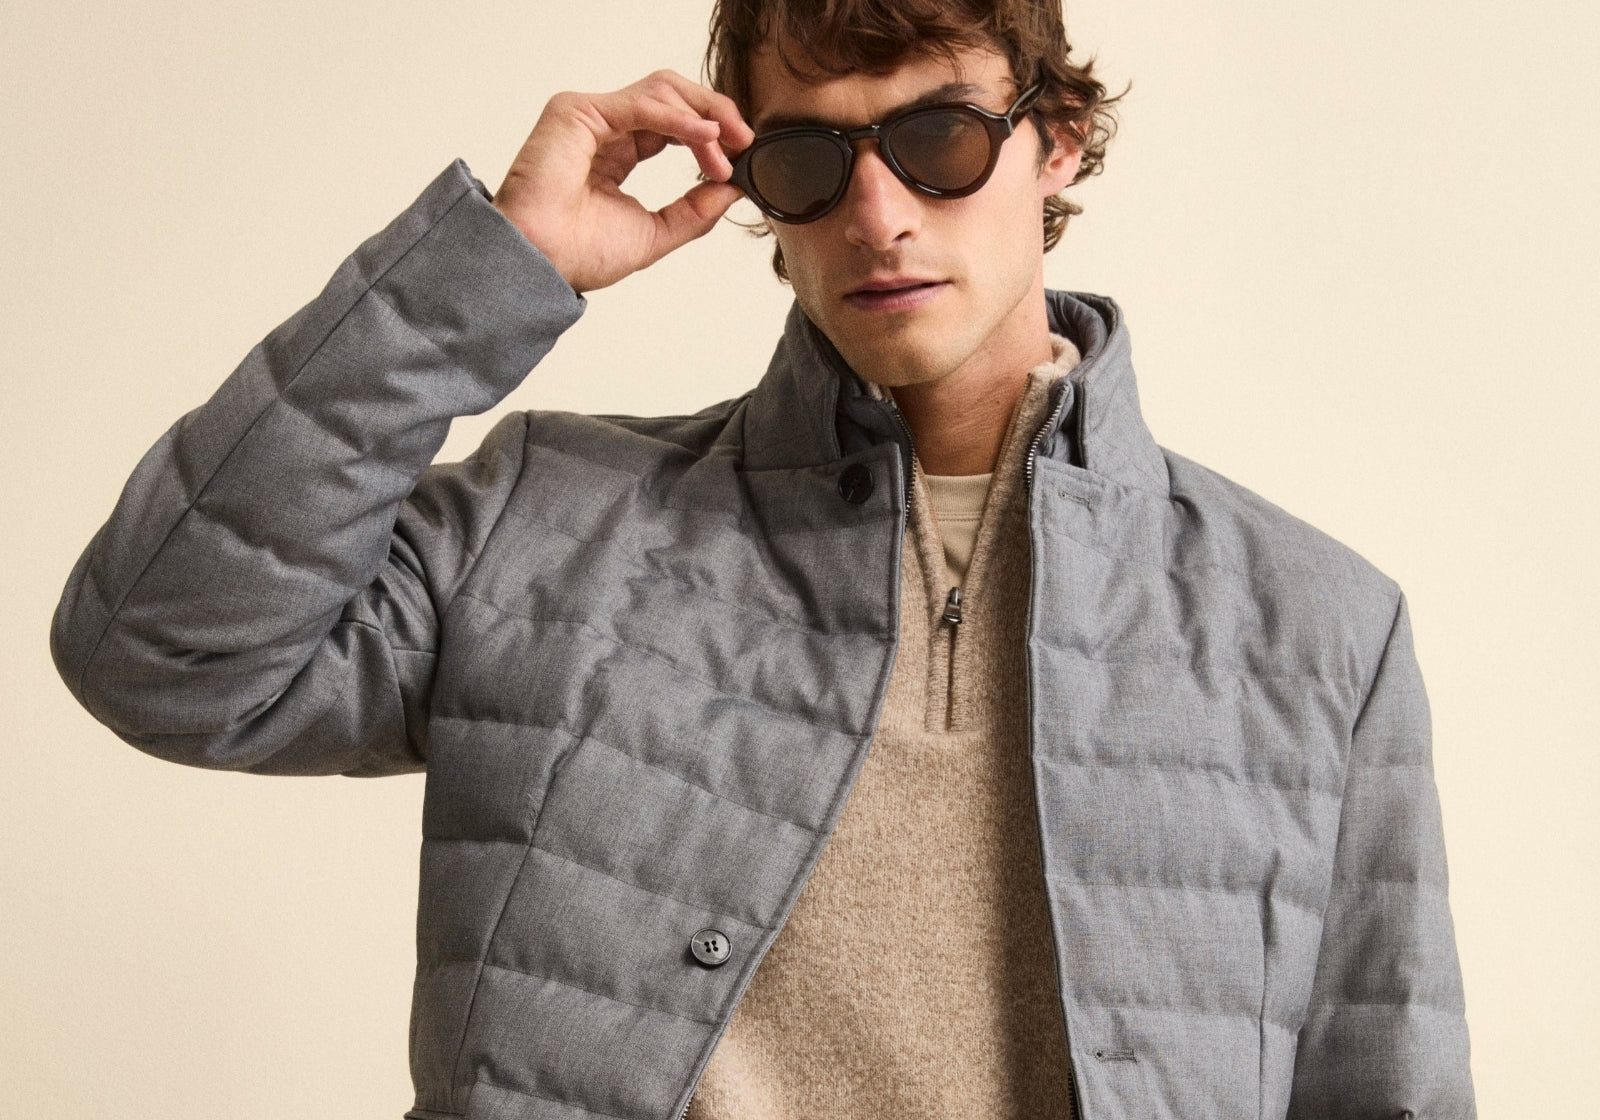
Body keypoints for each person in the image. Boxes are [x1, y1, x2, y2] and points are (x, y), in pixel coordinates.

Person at [49, 0, 1475, 1117]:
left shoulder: (1315, 630)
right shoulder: (548, 524)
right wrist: (490, 270)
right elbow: (163, 655)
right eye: (809, 162)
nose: (878, 215)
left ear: (1058, 141)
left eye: (939, 140)